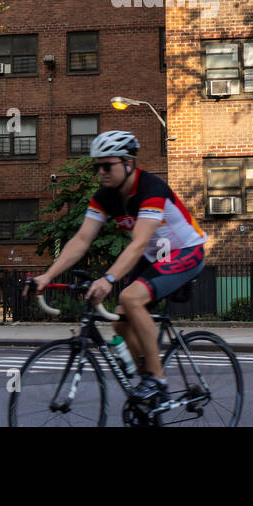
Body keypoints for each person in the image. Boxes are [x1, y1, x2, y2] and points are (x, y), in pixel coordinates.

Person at [29, 130, 207, 406]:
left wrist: (109, 279)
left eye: (107, 165)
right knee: (121, 320)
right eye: (96, 166)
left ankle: (157, 381)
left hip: (186, 250)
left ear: (128, 163)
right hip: (153, 257)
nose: (101, 172)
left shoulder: (151, 190)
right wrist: (48, 276)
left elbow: (138, 243)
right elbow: (82, 239)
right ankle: (147, 378)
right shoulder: (105, 197)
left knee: (129, 297)